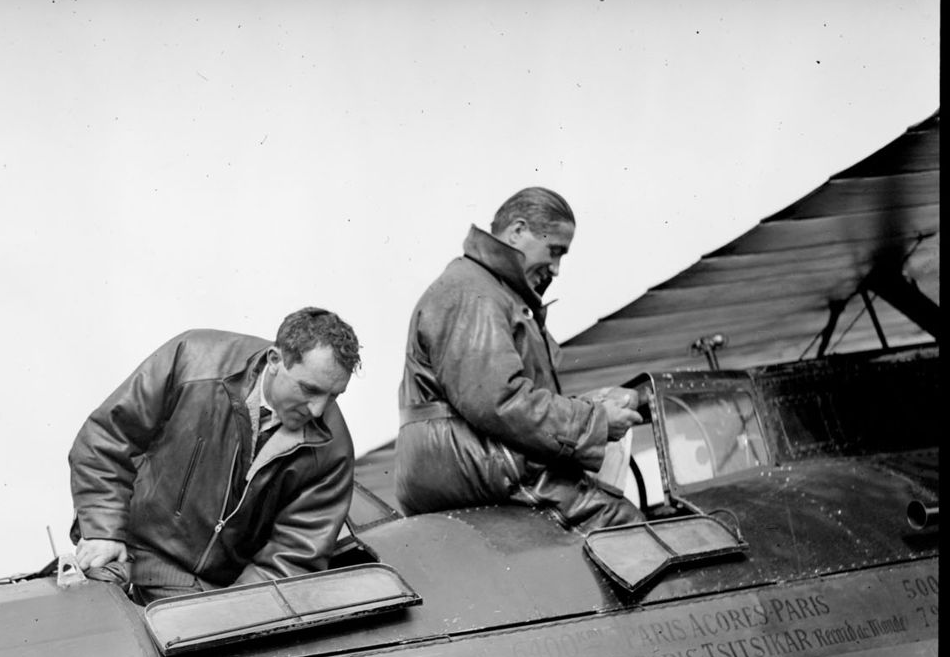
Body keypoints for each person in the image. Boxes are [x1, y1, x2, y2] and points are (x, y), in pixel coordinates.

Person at [69, 307, 360, 603]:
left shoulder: (333, 453)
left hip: (208, 592)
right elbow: (107, 436)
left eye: (333, 395)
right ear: (275, 360)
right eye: (309, 389)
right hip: (126, 552)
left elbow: (291, 561)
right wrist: (103, 531)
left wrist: (224, 616)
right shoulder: (192, 360)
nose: (318, 410)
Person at [395, 186, 644, 532]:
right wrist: (595, 422)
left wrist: (589, 407)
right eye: (554, 251)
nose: (556, 269)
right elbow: (499, 400)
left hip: (474, 460)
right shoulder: (475, 292)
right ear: (517, 231)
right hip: (481, 464)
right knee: (625, 527)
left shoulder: (488, 290)